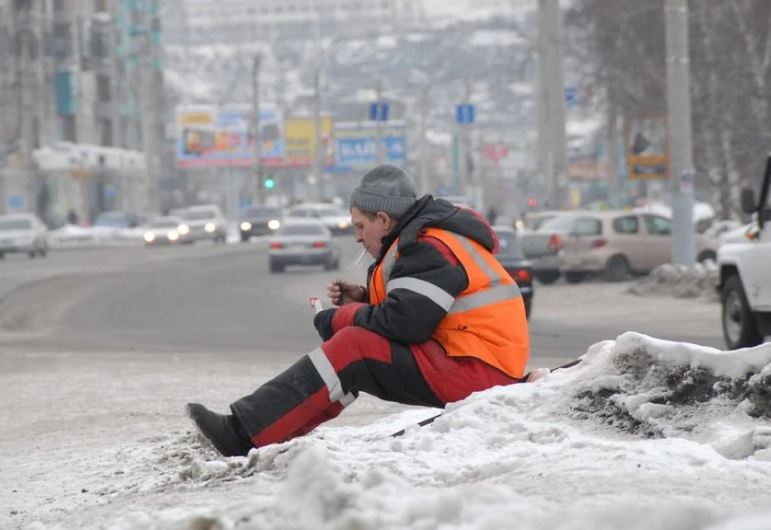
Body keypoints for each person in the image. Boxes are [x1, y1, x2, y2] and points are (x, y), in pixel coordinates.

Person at [186, 164, 530, 457]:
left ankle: (242, 434)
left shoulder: (429, 247)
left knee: (353, 348)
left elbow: (405, 323)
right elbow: (418, 310)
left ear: (383, 218)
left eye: (359, 226)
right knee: (353, 354)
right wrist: (365, 300)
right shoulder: (423, 241)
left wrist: (339, 317)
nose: (356, 237)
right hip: (473, 360)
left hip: (480, 370)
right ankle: (269, 435)